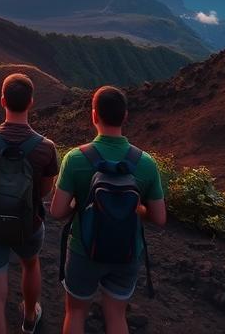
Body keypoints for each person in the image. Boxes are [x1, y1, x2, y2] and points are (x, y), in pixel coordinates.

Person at [49, 86, 166, 334]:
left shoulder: (75, 158)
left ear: (94, 116)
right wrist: (139, 209)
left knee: (76, 312)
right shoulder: (145, 163)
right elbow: (160, 217)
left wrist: (80, 204)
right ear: (125, 116)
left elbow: (57, 212)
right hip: (126, 253)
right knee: (116, 316)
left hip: (83, 251)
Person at [0, 73, 59, 334]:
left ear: (2, 100)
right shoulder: (46, 147)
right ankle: (30, 318)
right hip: (29, 224)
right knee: (31, 264)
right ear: (31, 102)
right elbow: (43, 192)